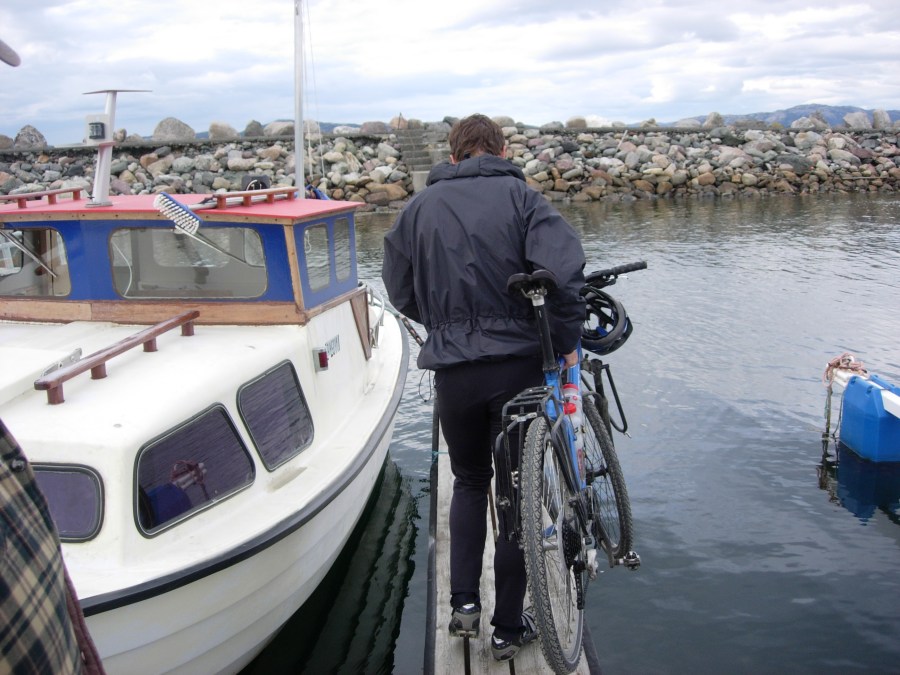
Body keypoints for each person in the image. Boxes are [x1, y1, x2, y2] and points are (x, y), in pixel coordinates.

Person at [382, 114, 586, 661]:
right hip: (517, 368)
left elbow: (399, 289)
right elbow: (564, 277)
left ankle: (464, 606)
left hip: (454, 372)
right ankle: (506, 628)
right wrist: (563, 340)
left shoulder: (416, 210)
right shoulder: (524, 200)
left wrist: (444, 327)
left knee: (469, 481)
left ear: (453, 155)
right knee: (514, 495)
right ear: (499, 148)